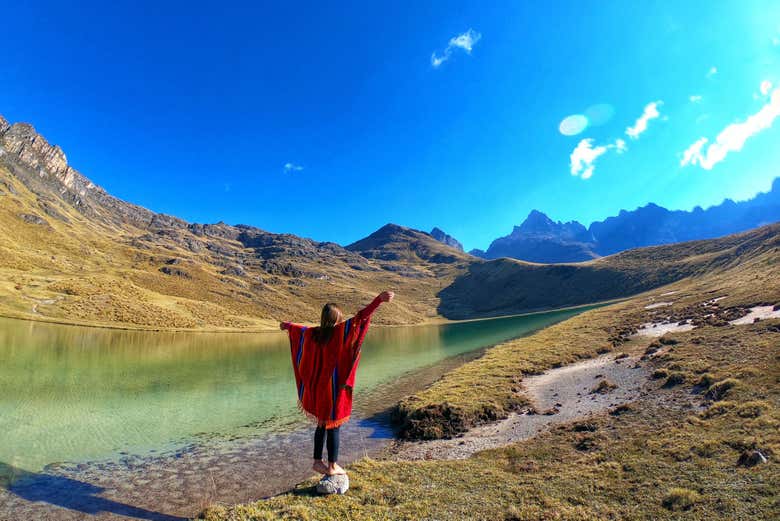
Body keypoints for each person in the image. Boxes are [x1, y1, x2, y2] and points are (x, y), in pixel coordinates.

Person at [280, 290, 394, 476]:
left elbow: (299, 330)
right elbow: (360, 318)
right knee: (334, 426)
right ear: (337, 319)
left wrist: (286, 325)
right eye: (340, 319)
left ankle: (317, 462)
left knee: (321, 424)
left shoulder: (313, 334)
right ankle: (332, 466)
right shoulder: (339, 332)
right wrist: (378, 300)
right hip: (332, 389)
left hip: (318, 390)